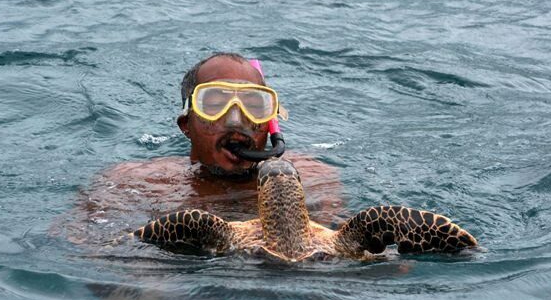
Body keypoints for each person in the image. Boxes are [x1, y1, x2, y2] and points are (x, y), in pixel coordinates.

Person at [57, 53, 345, 245]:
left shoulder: (312, 178)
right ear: (187, 124)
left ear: (270, 123)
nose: (237, 120)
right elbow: (83, 248)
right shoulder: (136, 184)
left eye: (254, 105)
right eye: (215, 104)